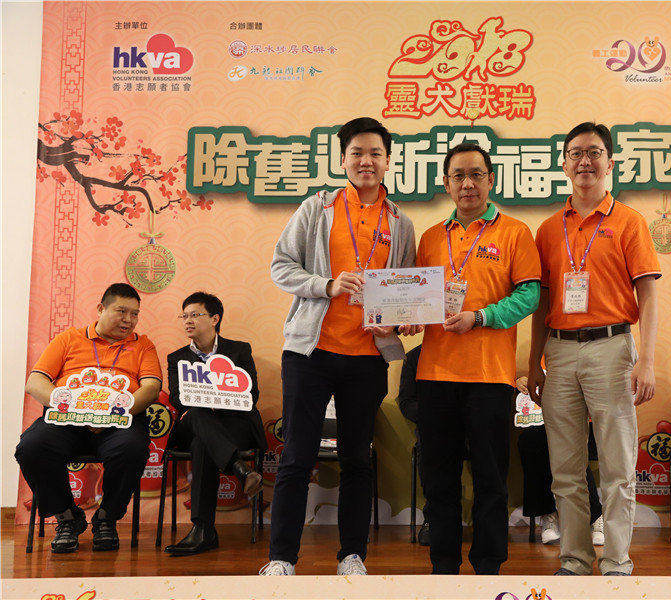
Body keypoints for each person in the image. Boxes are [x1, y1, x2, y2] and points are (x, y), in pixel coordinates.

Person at [261, 117, 416, 577]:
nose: (366, 161)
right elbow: (281, 266)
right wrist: (327, 285)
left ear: (388, 160)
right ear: (343, 159)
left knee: (356, 459)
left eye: (375, 153)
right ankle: (281, 558)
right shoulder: (318, 208)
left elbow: (404, 287)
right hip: (310, 352)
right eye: (357, 153)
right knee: (297, 456)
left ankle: (352, 555)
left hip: (367, 358)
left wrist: (403, 318)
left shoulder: (400, 222)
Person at [528, 122, 660, 576]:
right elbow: (542, 302)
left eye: (594, 152)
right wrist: (535, 363)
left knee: (617, 464)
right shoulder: (548, 229)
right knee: (564, 470)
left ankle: (617, 560)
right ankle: (574, 559)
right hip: (560, 351)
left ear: (610, 162)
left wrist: (647, 359)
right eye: (576, 153)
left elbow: (648, 294)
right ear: (564, 164)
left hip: (612, 346)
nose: (585, 161)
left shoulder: (628, 221)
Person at [408, 142, 541, 575]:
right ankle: (443, 566)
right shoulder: (430, 238)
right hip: (435, 375)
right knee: (439, 480)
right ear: (446, 183)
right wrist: (407, 319)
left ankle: (487, 567)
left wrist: (481, 317)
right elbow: (417, 298)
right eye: (458, 176)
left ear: (491, 180)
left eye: (476, 174)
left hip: (490, 377)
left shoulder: (515, 232)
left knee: (490, 480)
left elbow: (530, 295)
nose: (468, 184)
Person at [15, 283, 162, 554]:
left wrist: (112, 415)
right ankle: (67, 517)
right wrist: (71, 408)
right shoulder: (69, 339)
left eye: (135, 314)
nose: (129, 320)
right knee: (32, 447)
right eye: (121, 311)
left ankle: (106, 518)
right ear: (101, 309)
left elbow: (151, 388)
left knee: (132, 448)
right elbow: (35, 382)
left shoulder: (142, 345)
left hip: (119, 422)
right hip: (67, 420)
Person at [164, 292, 267, 556]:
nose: (188, 321)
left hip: (234, 424)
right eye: (184, 316)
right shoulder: (177, 357)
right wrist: (203, 399)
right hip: (194, 422)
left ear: (214, 319)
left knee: (203, 443)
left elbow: (251, 394)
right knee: (198, 414)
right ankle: (239, 469)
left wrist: (218, 401)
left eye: (195, 315)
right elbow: (176, 398)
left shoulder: (239, 350)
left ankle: (203, 530)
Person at [515, 376, 604, 546]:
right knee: (531, 440)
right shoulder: (537, 360)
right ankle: (548, 514)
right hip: (546, 422)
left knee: (568, 440)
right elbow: (527, 375)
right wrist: (520, 381)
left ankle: (596, 516)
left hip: (587, 420)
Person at [396, 344, 431, 545]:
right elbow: (406, 403)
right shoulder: (414, 357)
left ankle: (484, 521)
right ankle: (433, 517)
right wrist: (436, 413)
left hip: (471, 426)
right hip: (434, 426)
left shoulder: (474, 353)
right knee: (427, 442)